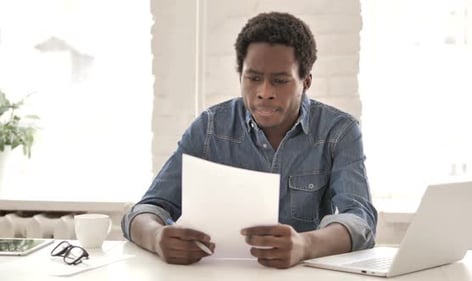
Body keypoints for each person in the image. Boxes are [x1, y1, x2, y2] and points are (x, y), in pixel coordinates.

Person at [121, 11, 377, 269]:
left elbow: (361, 220)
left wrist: (305, 245)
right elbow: (146, 209)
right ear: (240, 76)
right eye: (253, 78)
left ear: (306, 81)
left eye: (280, 81)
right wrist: (155, 237)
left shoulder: (339, 131)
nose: (265, 93)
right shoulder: (209, 127)